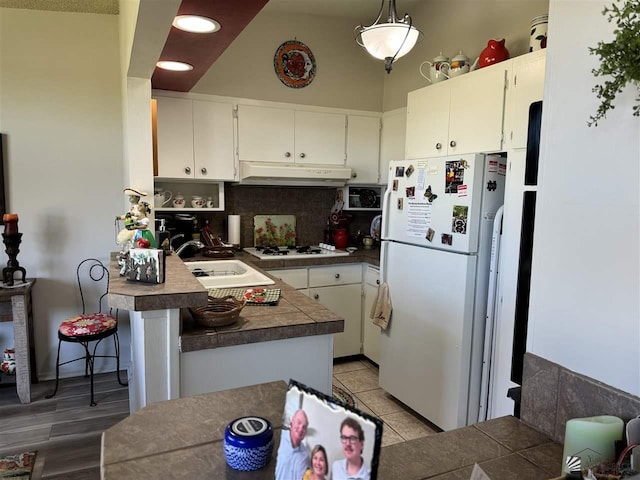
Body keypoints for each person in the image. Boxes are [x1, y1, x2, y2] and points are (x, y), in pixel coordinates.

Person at [275, 409, 310, 480]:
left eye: (304, 427)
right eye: (299, 422)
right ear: (292, 421)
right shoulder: (279, 437)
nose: (301, 429)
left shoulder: (305, 454)